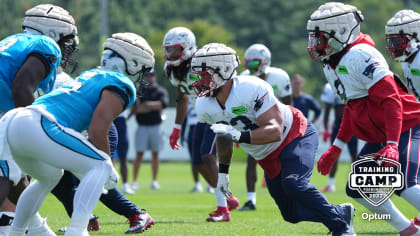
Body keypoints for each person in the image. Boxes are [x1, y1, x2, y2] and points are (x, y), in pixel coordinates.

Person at [192, 42, 355, 235]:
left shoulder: (251, 88)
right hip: (265, 153)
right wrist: (223, 173)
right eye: (197, 75)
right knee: (291, 214)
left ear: (224, 70)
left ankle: (342, 229)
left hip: (293, 134)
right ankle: (341, 212)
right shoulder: (204, 105)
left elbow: (275, 130)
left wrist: (238, 135)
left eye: (204, 75)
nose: (199, 81)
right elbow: (223, 137)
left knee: (294, 185)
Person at [2, 32, 155, 236]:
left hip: (13, 121)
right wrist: (107, 164)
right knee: (101, 165)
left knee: (50, 176)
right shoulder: (120, 82)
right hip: (38, 122)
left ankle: (16, 233)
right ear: (133, 63)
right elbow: (97, 130)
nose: (142, 77)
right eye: (143, 70)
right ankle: (76, 231)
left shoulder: (91, 75)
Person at [308, 2, 420, 235]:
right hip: (384, 133)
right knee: (358, 186)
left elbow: (392, 101)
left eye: (319, 37)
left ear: (340, 32)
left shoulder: (360, 55)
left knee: (404, 182)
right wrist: (337, 147)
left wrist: (391, 144)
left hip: (408, 124)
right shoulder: (332, 65)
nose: (314, 44)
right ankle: (408, 230)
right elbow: (352, 108)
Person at [0, 4, 78, 236]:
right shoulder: (46, 46)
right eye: (66, 41)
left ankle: (39, 231)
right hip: (7, 114)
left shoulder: (12, 41)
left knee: (17, 174)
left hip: (3, 113)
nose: (67, 49)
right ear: (53, 34)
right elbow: (22, 87)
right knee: (6, 172)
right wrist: (34, 128)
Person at [50, 70, 155, 234]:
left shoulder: (56, 80)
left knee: (95, 176)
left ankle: (136, 214)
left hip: (94, 130)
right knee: (57, 180)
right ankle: (85, 221)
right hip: (75, 132)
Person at [162, 27, 239, 222]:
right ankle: (227, 198)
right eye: (168, 50)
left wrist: (233, 121)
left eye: (175, 50)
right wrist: (176, 128)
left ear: (188, 48)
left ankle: (223, 209)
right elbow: (182, 98)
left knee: (207, 155)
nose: (171, 55)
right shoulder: (172, 70)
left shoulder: (202, 63)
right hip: (202, 113)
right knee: (197, 161)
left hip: (218, 111)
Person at [238, 43, 292, 210]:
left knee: (285, 161)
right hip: (255, 123)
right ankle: (250, 199)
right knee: (252, 159)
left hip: (279, 124)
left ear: (264, 62)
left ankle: (288, 195)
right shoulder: (244, 78)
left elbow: (289, 104)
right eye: (248, 63)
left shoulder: (279, 77)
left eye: (254, 63)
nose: (250, 67)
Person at [385, 9, 420, 227]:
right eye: (390, 41)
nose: (392, 46)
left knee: (406, 179)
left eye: (397, 40)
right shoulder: (409, 59)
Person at [130, 70, 168, 190]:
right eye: (147, 75)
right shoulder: (139, 91)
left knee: (155, 154)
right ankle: (135, 181)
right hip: (142, 126)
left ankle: (154, 181)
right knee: (139, 154)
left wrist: (146, 105)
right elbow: (136, 109)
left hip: (156, 126)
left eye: (151, 75)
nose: (149, 78)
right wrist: (153, 106)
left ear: (154, 76)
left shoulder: (160, 90)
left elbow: (163, 104)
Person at [319, 83, 358, 193]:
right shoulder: (330, 85)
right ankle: (331, 185)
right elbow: (327, 108)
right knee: (334, 154)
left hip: (352, 124)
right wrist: (326, 128)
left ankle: (358, 182)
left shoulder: (352, 81)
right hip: (338, 125)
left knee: (354, 155)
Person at [114, 110, 133, 194]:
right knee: (107, 155)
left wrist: (128, 116)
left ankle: (125, 184)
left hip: (120, 121)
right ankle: (108, 184)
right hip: (107, 119)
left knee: (123, 156)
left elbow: (136, 103)